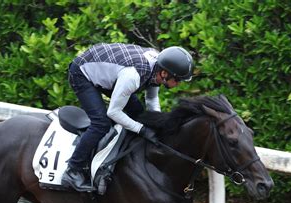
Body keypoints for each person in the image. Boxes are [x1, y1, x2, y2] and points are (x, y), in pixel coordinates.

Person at [61, 42, 194, 192]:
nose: (177, 84)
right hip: (82, 73)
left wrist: (157, 124)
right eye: (177, 80)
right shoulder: (133, 76)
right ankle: (73, 169)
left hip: (110, 72)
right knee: (101, 123)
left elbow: (151, 100)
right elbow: (113, 112)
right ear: (164, 74)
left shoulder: (158, 67)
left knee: (138, 113)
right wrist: (142, 130)